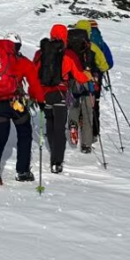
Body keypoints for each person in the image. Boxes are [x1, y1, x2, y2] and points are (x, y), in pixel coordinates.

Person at [30, 25, 90, 174]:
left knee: (50, 124)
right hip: (60, 94)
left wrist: (32, 93)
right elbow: (79, 76)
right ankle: (57, 162)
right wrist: (89, 75)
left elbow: (33, 74)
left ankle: (53, 153)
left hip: (44, 95)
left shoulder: (40, 52)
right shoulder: (68, 55)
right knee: (59, 128)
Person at [0, 33, 38, 184]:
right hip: (17, 103)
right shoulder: (22, 61)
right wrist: (37, 98)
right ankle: (23, 171)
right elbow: (34, 82)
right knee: (24, 134)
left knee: (0, 137)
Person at [71, 20, 112, 152]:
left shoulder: (69, 46)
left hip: (73, 81)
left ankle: (73, 123)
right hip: (90, 82)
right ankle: (86, 144)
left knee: (74, 105)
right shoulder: (93, 46)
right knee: (89, 109)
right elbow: (104, 65)